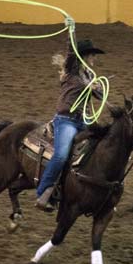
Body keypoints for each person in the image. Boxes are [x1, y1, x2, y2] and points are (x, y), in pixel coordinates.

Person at [35, 39, 105, 211]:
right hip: (66, 120)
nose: (94, 57)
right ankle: (44, 191)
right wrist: (70, 31)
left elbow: (101, 95)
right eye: (91, 54)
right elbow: (72, 53)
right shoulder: (71, 72)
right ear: (83, 56)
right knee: (61, 155)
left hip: (84, 120)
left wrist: (96, 88)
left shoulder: (89, 75)